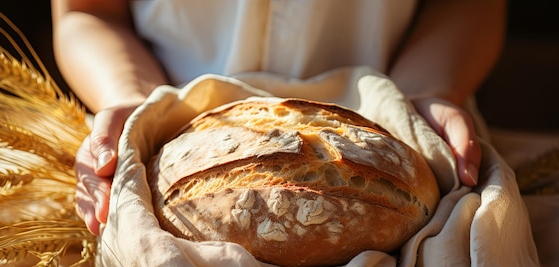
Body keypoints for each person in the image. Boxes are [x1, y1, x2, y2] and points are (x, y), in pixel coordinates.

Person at [52, 0, 506, 235]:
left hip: (398, 133)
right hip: (169, 140)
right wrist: (135, 103)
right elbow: (90, 10)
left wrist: (423, 92)